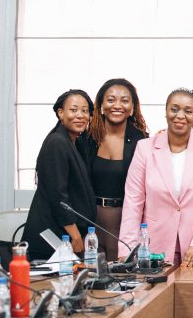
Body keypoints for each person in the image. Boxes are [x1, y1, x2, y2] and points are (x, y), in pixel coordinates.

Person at [119, 88, 193, 266]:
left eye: (188, 111)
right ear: (166, 111)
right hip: (153, 246)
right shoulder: (144, 148)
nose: (180, 116)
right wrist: (126, 250)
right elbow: (133, 202)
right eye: (174, 109)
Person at [78, 79, 148, 261]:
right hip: (90, 222)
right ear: (101, 105)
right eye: (111, 100)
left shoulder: (142, 141)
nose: (117, 105)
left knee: (122, 273)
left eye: (124, 100)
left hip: (125, 222)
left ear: (132, 107)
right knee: (91, 274)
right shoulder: (86, 138)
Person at [22, 89, 96, 261]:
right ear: (60, 113)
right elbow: (58, 195)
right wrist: (75, 235)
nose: (80, 115)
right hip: (54, 238)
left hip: (64, 235)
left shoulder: (75, 142)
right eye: (74, 110)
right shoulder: (57, 142)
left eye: (85, 111)